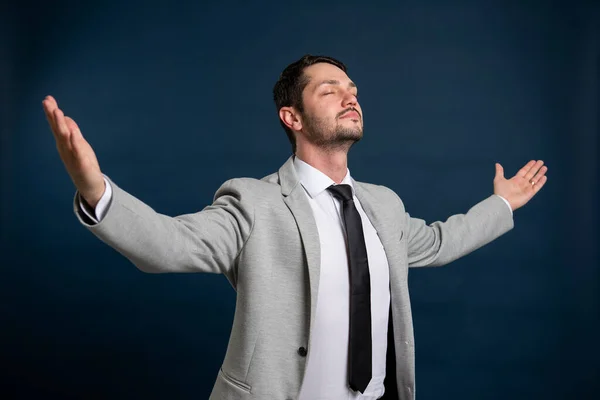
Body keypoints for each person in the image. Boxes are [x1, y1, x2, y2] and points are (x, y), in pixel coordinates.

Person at [43, 54, 547, 400]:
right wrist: (95, 190)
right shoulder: (253, 201)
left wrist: (501, 204)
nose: (351, 98)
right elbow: (171, 244)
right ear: (293, 116)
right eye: (331, 91)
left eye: (353, 91)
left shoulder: (384, 205)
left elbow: (439, 241)